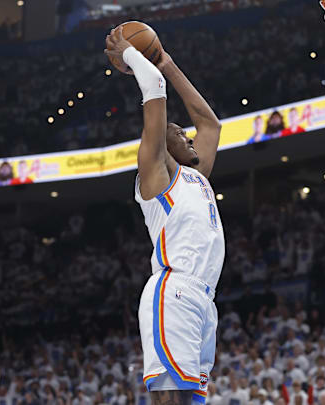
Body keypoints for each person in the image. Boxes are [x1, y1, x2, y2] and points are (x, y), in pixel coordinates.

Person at [105, 26, 224, 405]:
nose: (188, 136)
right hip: (173, 291)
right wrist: (130, 53)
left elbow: (211, 124)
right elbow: (153, 87)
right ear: (162, 147)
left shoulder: (196, 176)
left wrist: (170, 64)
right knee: (169, 398)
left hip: (204, 299)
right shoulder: (155, 174)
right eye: (177, 133)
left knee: (191, 400)